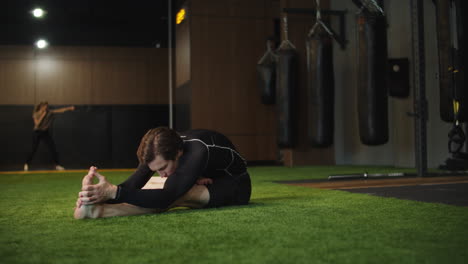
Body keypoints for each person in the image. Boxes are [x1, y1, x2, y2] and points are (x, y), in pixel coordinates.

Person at [74, 127, 251, 219]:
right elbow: (133, 184)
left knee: (177, 194)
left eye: (163, 168)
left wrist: (113, 192)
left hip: (234, 185)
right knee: (151, 187)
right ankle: (93, 206)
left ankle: (96, 213)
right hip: (205, 176)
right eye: (156, 170)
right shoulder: (161, 149)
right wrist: (97, 195)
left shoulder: (198, 151)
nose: (161, 173)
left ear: (178, 153)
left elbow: (166, 196)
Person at [24, 101, 75, 171]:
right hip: (37, 132)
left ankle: (57, 165)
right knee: (33, 149)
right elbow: (37, 124)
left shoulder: (49, 112)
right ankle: (26, 164)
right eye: (44, 106)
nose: (46, 108)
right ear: (41, 107)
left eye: (46, 106)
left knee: (52, 148)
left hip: (45, 132)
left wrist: (69, 108)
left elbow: (60, 110)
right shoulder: (36, 114)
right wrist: (43, 115)